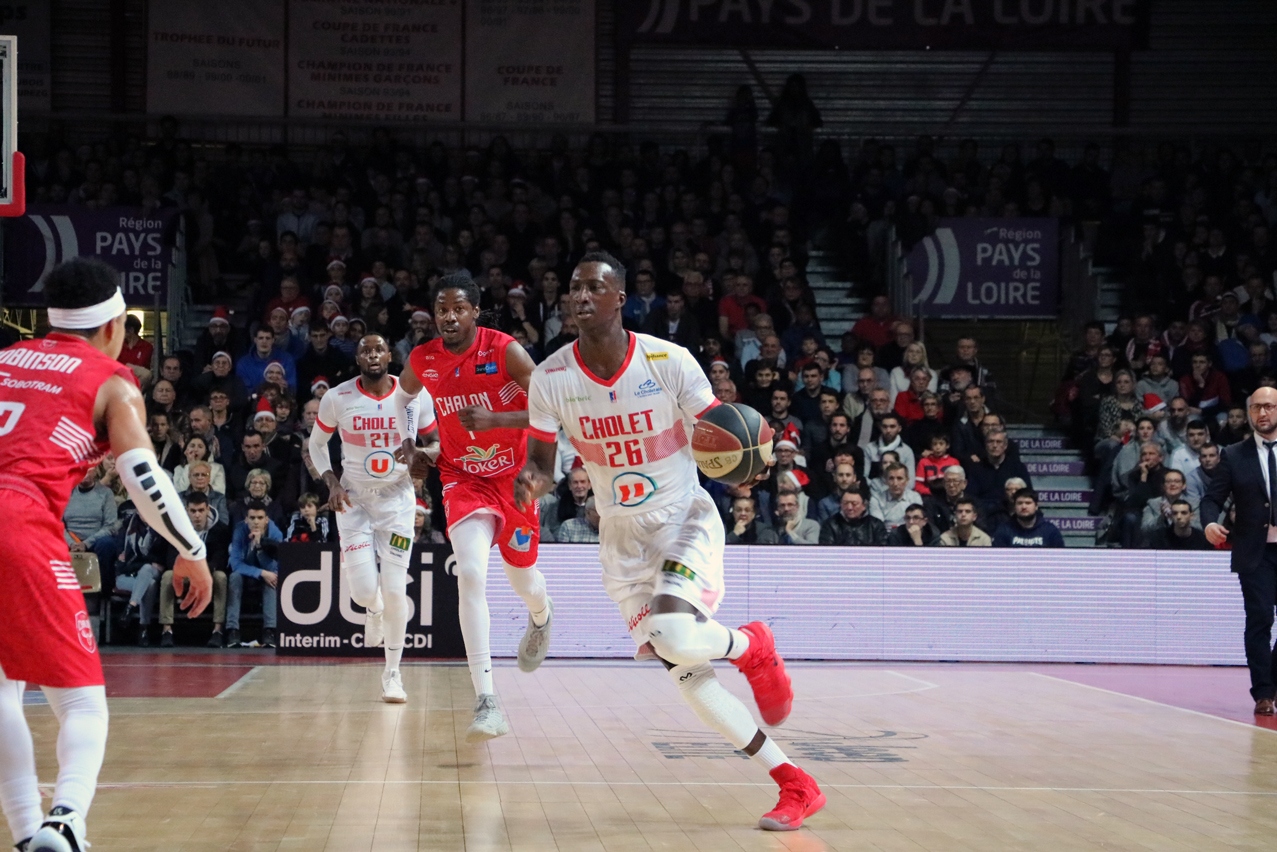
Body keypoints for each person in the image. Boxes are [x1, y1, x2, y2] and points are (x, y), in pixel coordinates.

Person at [514, 252, 825, 831]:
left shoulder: (669, 360)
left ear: (618, 300)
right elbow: (540, 459)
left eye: (594, 288)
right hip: (620, 539)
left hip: (684, 518)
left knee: (674, 632)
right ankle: (796, 783)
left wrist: (744, 462)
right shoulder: (551, 376)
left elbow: (718, 431)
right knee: (687, 675)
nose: (580, 297)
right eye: (574, 289)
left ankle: (752, 644)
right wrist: (530, 484)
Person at [0, 258, 212, 852]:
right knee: (83, 701)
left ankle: (26, 836)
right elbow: (143, 475)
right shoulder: (113, 380)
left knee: (1, 692)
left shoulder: (4, 360)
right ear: (117, 324)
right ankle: (66, 820)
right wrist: (190, 548)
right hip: (18, 520)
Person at [397, 271, 553, 741]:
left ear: (474, 311)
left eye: (458, 308)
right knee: (470, 572)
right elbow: (402, 395)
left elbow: (552, 408)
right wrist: (410, 442)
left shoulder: (505, 349)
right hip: (462, 478)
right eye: (441, 308)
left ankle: (542, 615)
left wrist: (496, 419)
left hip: (515, 477)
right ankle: (486, 700)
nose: (448, 316)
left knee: (522, 576)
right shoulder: (424, 358)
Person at [308, 333, 436, 702]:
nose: (373, 354)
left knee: (396, 589)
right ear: (358, 358)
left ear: (390, 354)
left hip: (397, 504)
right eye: (365, 349)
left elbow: (437, 441)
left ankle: (392, 674)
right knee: (366, 592)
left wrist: (425, 458)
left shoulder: (414, 395)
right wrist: (331, 482)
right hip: (354, 503)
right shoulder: (338, 397)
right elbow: (316, 445)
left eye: (380, 348)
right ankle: (374, 609)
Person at [1202, 387, 1277, 715]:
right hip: (1255, 552)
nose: (1264, 413)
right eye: (1257, 407)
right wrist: (1208, 524)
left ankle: (1271, 679)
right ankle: (1263, 692)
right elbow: (1211, 498)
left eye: (1270, 407)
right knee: (1260, 618)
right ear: (1249, 413)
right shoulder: (1234, 454)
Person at [157, 492, 231, 648]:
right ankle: (166, 630)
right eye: (193, 511)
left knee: (221, 577)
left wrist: (202, 572)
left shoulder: (220, 530)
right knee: (167, 576)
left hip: (208, 573)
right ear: (186, 511)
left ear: (208, 509)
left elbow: (220, 558)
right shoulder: (176, 529)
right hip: (183, 573)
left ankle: (217, 630)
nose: (197, 515)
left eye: (201, 510)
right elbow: (171, 558)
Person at [225, 501, 283, 648]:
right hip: (245, 572)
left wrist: (259, 547)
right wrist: (261, 573)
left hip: (265, 572)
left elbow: (273, 567)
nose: (256, 522)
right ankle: (233, 630)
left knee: (271, 580)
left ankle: (270, 630)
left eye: (259, 518)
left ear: (266, 519)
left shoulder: (276, 534)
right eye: (252, 518)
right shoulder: (240, 531)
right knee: (234, 578)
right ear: (246, 519)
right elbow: (235, 564)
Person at [991, 489, 1064, 548]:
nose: (1024, 507)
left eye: (1028, 503)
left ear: (1036, 506)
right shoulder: (1004, 530)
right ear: (1014, 507)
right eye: (1020, 503)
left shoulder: (1050, 531)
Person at [818, 490, 887, 546]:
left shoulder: (876, 525)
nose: (849, 507)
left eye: (854, 504)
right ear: (840, 504)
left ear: (864, 505)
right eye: (845, 503)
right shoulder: (830, 525)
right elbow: (827, 551)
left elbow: (882, 551)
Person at [1146, 499, 1211, 551]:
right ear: (1170, 516)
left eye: (1184, 513)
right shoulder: (1158, 538)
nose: (1179, 517)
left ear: (1192, 516)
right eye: (1175, 513)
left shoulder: (1202, 539)